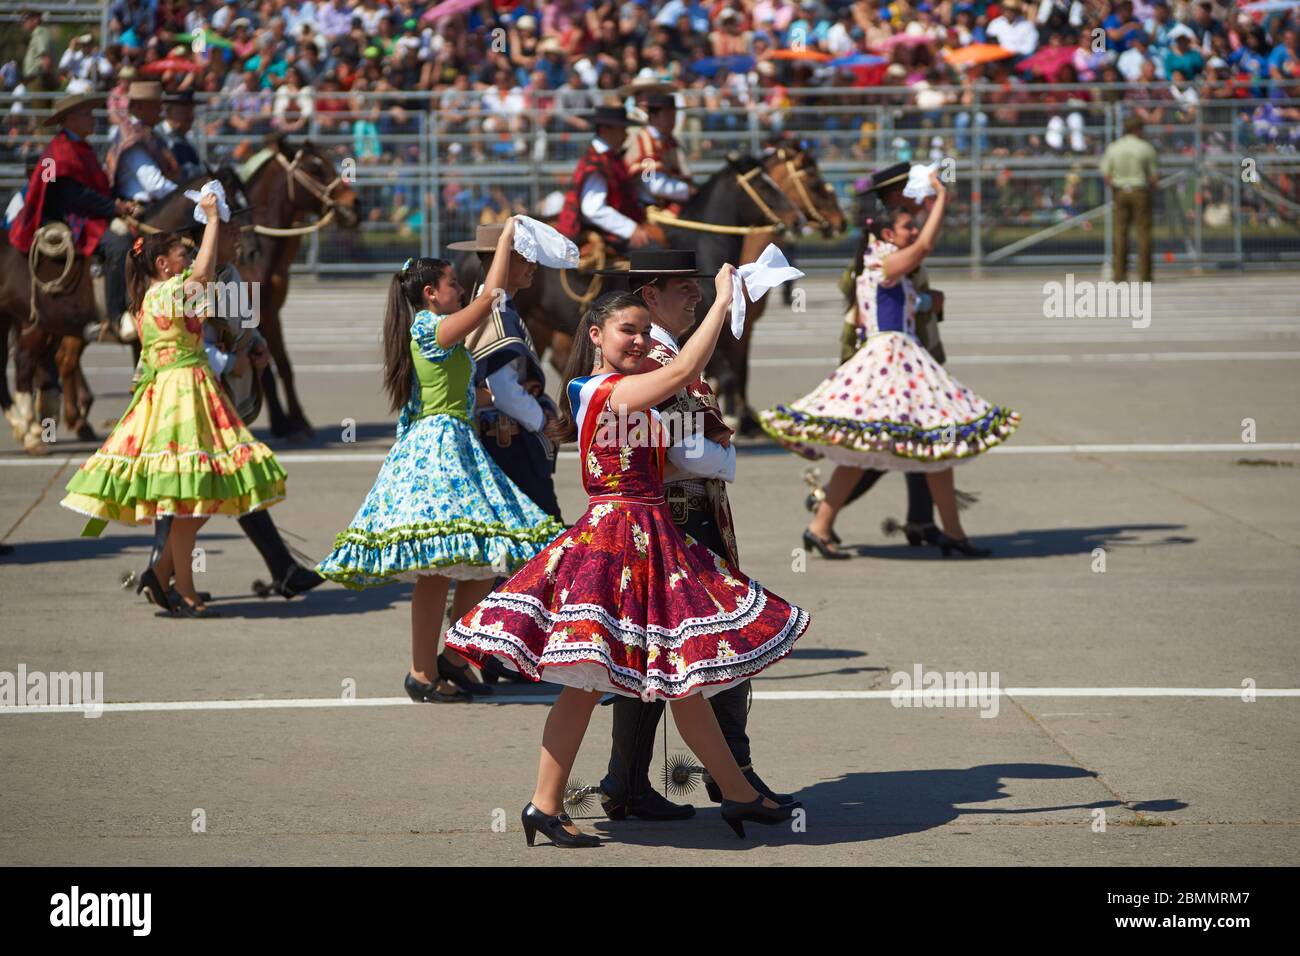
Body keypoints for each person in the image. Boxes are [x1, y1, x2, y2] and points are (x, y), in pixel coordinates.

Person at [445, 279, 810, 848]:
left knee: (677, 679)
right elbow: (687, 367)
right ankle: (548, 803)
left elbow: (684, 412)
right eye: (627, 330)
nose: (639, 341)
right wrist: (721, 301)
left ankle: (734, 792)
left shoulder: (632, 389)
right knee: (592, 684)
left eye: (644, 331)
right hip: (616, 541)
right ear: (595, 335)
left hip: (650, 535)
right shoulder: (598, 390)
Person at [315, 220, 566, 703]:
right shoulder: (430, 327)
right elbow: (490, 294)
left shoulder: (437, 330)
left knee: (477, 557)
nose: (460, 288)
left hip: (458, 442)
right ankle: (421, 671)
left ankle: (451, 655)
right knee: (438, 571)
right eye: (453, 284)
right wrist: (507, 240)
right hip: (438, 449)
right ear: (431, 294)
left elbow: (469, 389)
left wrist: (514, 402)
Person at [590, 247, 794, 822]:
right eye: (684, 287)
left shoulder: (665, 348)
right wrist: (723, 456)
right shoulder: (655, 353)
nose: (696, 294)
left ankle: (628, 780)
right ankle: (735, 777)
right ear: (650, 296)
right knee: (722, 644)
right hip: (676, 522)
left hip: (677, 518)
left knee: (653, 657)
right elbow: (680, 451)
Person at [760, 173, 1020, 558]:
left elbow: (892, 309)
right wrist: (941, 199)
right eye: (905, 226)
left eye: (912, 224)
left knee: (918, 446)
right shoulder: (884, 264)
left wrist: (931, 302)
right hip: (892, 362)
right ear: (885, 235)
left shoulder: (883, 268)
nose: (912, 230)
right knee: (902, 445)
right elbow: (927, 245)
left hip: (894, 357)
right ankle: (938, 530)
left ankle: (938, 530)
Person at [61, 191, 288, 618]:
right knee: (196, 495)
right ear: (162, 265)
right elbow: (204, 274)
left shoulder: (147, 302)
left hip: (169, 396)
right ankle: (174, 580)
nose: (186, 258)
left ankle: (174, 581)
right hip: (186, 396)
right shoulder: (169, 293)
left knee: (191, 498)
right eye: (179, 254)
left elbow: (147, 363)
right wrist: (211, 220)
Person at [135, 204, 324, 608]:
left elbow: (242, 326)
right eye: (230, 231)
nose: (240, 238)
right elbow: (190, 342)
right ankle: (167, 573)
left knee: (201, 484)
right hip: (189, 398)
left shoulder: (231, 277)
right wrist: (228, 361)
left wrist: (255, 348)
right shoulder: (186, 284)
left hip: (212, 394)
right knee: (203, 482)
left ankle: (164, 574)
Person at [813, 162, 949, 550]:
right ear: (894, 199)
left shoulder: (894, 238)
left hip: (911, 349)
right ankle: (823, 507)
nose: (918, 197)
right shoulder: (882, 248)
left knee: (912, 438)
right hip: (885, 358)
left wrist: (924, 300)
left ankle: (921, 519)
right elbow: (862, 287)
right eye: (911, 191)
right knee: (880, 444)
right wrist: (926, 301)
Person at [447, 224, 564, 522]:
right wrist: (543, 422)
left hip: (503, 438)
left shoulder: (496, 305)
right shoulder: (496, 312)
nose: (533, 266)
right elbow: (504, 389)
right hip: (507, 443)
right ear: (502, 260)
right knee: (543, 535)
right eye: (523, 258)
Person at [103, 81, 183, 333]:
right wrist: (187, 196)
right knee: (124, 245)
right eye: (154, 105)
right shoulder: (131, 137)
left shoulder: (147, 135)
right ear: (137, 106)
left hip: (153, 206)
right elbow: (153, 183)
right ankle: (119, 314)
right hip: (134, 209)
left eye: (160, 104)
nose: (160, 110)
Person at [555, 105, 656, 251]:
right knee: (656, 252)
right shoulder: (597, 162)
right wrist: (631, 229)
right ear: (605, 130)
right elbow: (593, 209)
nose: (626, 134)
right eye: (621, 129)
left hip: (614, 229)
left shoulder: (609, 158)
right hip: (603, 233)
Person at [1100, 114, 1158, 282]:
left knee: (1120, 233)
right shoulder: (1145, 148)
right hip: (1140, 190)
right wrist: (1152, 189)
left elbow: (1106, 174)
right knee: (1143, 234)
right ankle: (1145, 274)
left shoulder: (1114, 147)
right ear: (1138, 129)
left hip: (1120, 191)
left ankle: (1119, 274)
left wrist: (1116, 187)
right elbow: (1153, 176)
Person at [623, 90, 697, 215]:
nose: (672, 120)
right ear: (653, 117)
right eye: (667, 115)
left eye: (673, 115)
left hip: (670, 202)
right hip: (648, 208)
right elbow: (653, 185)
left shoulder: (670, 141)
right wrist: (688, 190)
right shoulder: (644, 143)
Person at [157, 91, 205, 181]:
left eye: (191, 111)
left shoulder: (186, 142)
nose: (190, 117)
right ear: (169, 112)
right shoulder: (157, 137)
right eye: (185, 111)